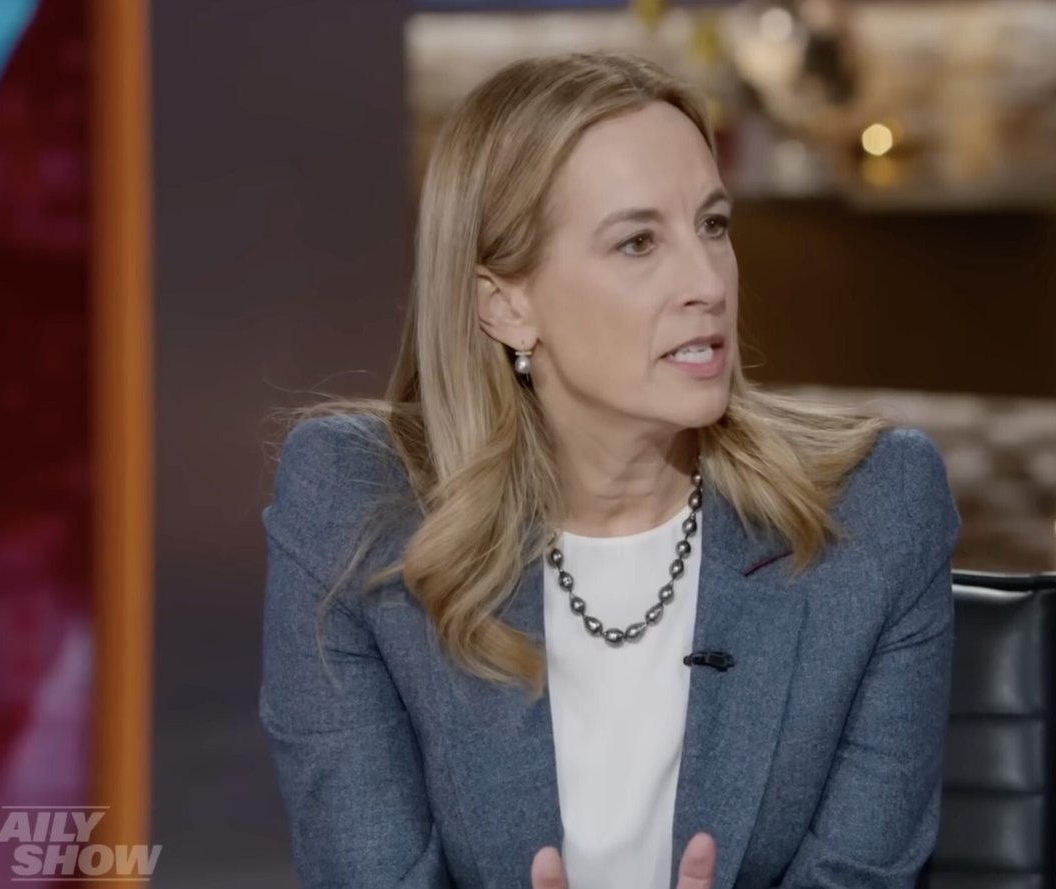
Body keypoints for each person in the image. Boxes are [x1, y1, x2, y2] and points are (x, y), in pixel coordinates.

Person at [258, 50, 961, 889]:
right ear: (506, 304)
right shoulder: (358, 505)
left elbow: (860, 876)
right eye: (637, 242)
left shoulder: (876, 509)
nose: (706, 282)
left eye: (713, 225)